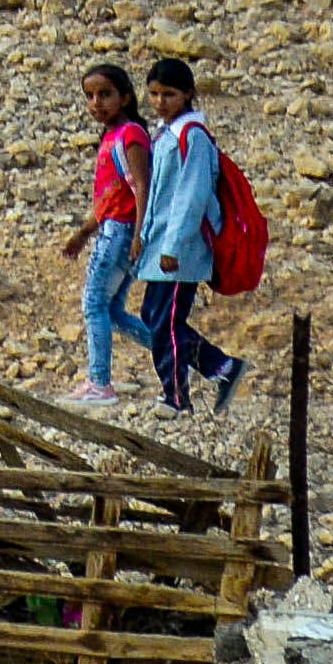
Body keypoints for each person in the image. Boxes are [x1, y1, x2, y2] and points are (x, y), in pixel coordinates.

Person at [132, 58, 249, 416]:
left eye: (169, 94)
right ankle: (222, 368)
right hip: (163, 246)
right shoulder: (168, 134)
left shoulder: (192, 137)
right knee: (156, 318)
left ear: (188, 95)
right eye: (154, 94)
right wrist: (145, 237)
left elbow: (192, 195)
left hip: (181, 250)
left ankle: (178, 399)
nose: (160, 102)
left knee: (164, 321)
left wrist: (172, 247)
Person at [59, 64, 150, 405]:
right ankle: (180, 356)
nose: (96, 102)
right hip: (114, 229)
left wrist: (139, 235)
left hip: (122, 231)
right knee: (111, 311)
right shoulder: (113, 137)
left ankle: (100, 384)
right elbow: (111, 196)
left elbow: (141, 187)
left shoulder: (130, 135)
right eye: (90, 96)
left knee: (94, 303)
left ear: (125, 97)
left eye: (105, 94)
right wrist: (84, 233)